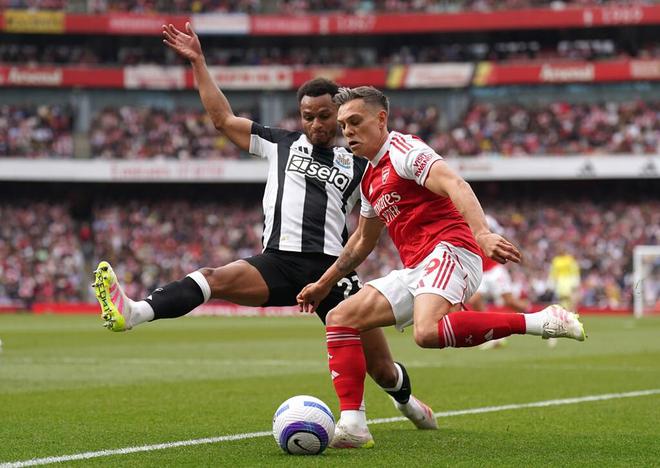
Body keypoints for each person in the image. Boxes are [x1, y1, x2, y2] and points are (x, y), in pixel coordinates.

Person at [92, 22, 437, 440]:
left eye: (324, 116)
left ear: (340, 115)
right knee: (214, 278)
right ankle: (135, 313)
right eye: (308, 117)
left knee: (381, 368)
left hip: (332, 271)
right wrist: (198, 61)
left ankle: (407, 403)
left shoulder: (362, 164)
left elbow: (380, 216)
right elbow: (222, 119)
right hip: (277, 262)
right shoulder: (280, 143)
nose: (316, 124)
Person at [297, 86, 586, 447]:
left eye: (355, 121)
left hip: (452, 249)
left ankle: (541, 321)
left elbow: (454, 183)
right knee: (341, 318)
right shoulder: (369, 178)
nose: (348, 131)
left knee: (427, 332)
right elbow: (361, 242)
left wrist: (482, 233)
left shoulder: (405, 151)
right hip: (417, 267)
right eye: (343, 125)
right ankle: (354, 426)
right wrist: (324, 283)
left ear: (381, 119)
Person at [467, 214, 530, 349]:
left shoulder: (486, 219)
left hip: (494, 269)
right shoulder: (460, 218)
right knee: (474, 300)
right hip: (480, 271)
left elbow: (502, 236)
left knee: (510, 301)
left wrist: (513, 251)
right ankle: (490, 331)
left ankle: (538, 316)